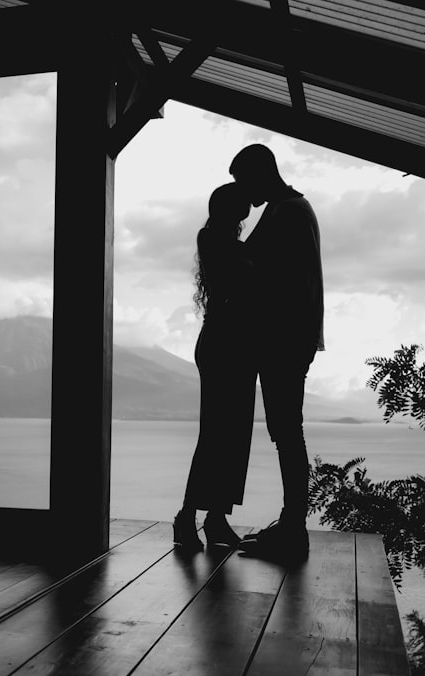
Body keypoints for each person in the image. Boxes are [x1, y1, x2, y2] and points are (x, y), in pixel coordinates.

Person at [229, 144, 324, 564]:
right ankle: (291, 526)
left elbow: (272, 274)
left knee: (287, 433)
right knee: (287, 433)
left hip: (284, 339)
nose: (240, 190)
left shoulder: (287, 211)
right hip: (291, 338)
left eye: (241, 180)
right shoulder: (290, 207)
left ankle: (292, 531)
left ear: (258, 174)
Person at [173, 182, 256, 550]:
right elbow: (240, 275)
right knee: (216, 435)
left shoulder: (226, 242)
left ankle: (216, 519)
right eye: (244, 202)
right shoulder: (211, 239)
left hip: (234, 343)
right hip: (223, 342)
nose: (250, 205)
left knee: (233, 435)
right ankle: (187, 517)